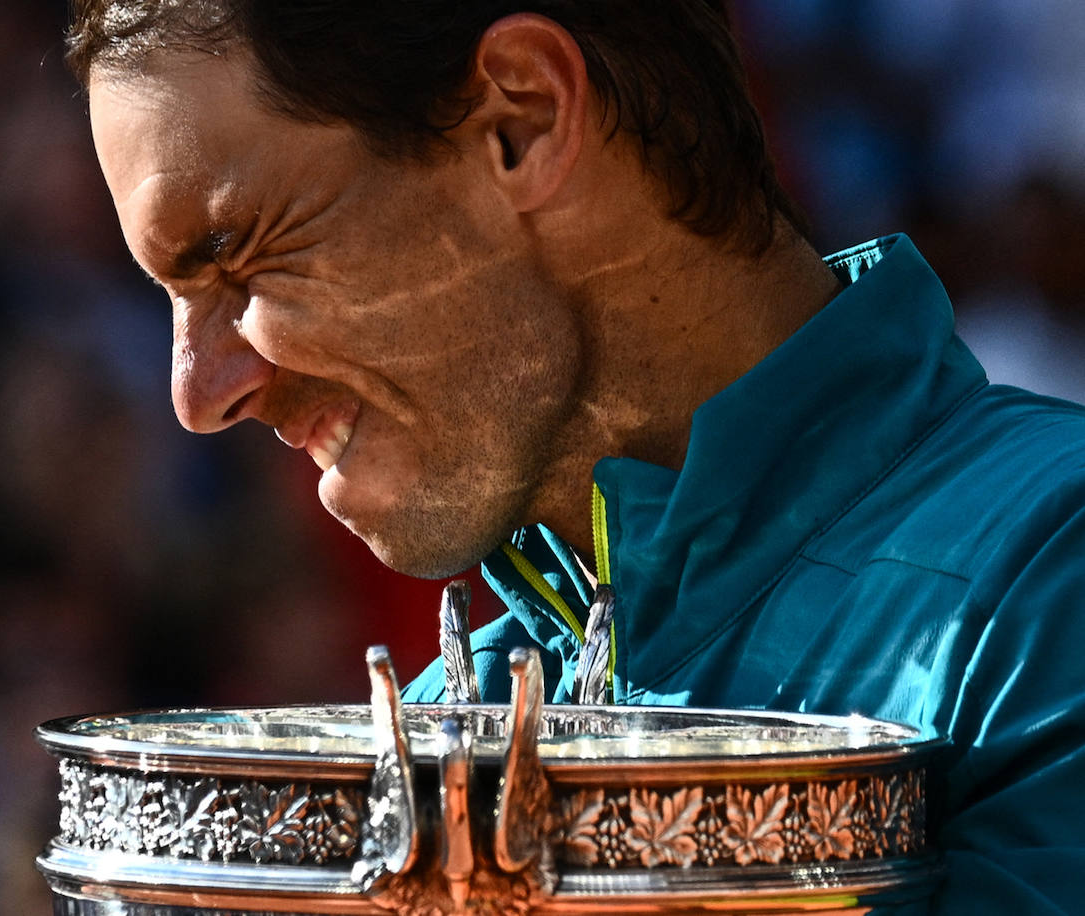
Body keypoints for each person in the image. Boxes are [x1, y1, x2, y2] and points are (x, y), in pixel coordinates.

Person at [64, 2, 1085, 912]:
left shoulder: (1051, 572)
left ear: (524, 120)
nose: (196, 394)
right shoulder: (435, 740)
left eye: (236, 252)